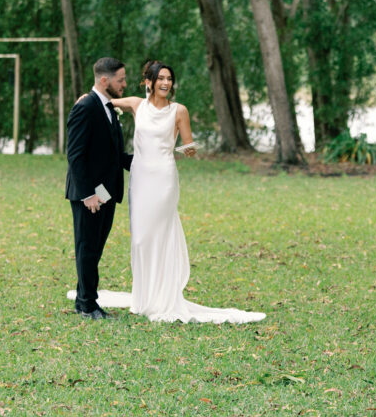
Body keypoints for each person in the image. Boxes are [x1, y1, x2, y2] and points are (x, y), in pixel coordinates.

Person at [69, 60, 265, 324]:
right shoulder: (135, 104)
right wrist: (84, 98)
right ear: (148, 81)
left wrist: (181, 151)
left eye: (169, 79)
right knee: (139, 239)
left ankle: (161, 296)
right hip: (138, 179)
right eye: (160, 78)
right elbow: (103, 103)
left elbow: (188, 146)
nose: (165, 83)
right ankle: (139, 296)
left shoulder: (179, 110)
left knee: (159, 234)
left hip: (163, 177)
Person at [65, 58, 134, 320]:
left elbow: (114, 156)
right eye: (121, 80)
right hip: (90, 195)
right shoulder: (86, 106)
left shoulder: (108, 107)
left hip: (107, 192)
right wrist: (87, 194)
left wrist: (149, 162)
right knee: (87, 247)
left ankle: (85, 300)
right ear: (104, 80)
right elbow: (75, 155)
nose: (124, 84)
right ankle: (87, 305)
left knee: (95, 248)